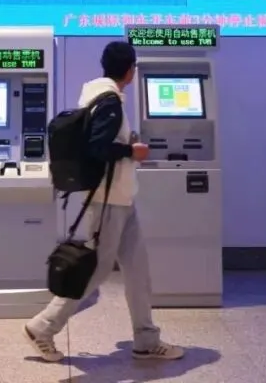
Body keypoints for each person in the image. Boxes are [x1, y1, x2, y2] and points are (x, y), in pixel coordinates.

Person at [24, 41, 184, 363]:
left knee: (138, 271)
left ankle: (146, 340)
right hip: (110, 201)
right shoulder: (110, 102)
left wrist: (125, 145)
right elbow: (97, 147)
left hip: (122, 198)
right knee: (94, 271)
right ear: (130, 70)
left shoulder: (98, 97)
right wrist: (131, 151)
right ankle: (42, 326)